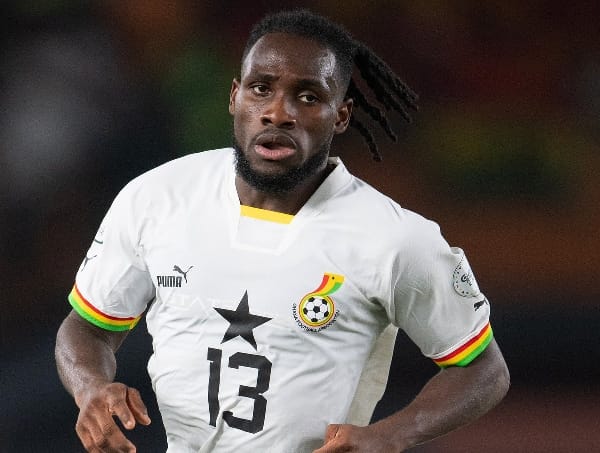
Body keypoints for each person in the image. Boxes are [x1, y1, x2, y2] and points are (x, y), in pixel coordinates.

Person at [55, 8, 509, 453]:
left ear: (341, 115)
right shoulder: (156, 198)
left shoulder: (395, 239)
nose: (278, 112)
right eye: (261, 89)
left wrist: (393, 434)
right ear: (235, 97)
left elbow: (484, 369)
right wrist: (90, 387)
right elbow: (87, 328)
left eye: (308, 97)